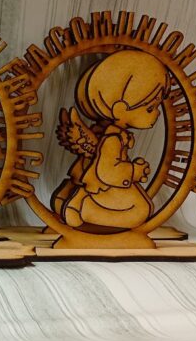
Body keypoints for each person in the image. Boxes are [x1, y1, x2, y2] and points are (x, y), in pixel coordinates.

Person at [61, 50, 169, 229]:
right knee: (140, 211)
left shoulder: (115, 135)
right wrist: (133, 171)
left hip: (111, 185)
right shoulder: (112, 139)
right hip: (107, 186)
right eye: (150, 108)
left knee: (142, 207)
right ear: (120, 110)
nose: (157, 113)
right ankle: (83, 209)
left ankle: (79, 202)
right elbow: (107, 171)